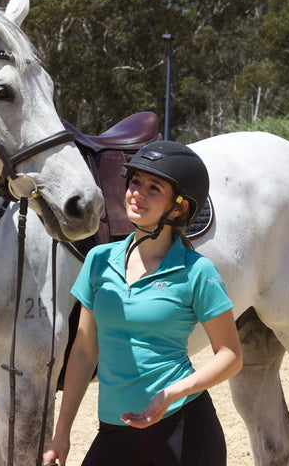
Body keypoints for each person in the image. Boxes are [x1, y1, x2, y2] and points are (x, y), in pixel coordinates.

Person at [43, 140, 242, 466]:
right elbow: (83, 350)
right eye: (135, 182)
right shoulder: (98, 260)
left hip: (183, 427)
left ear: (178, 207)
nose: (137, 193)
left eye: (153, 188)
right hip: (114, 429)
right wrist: (61, 433)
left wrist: (173, 392)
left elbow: (231, 355)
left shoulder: (197, 271)